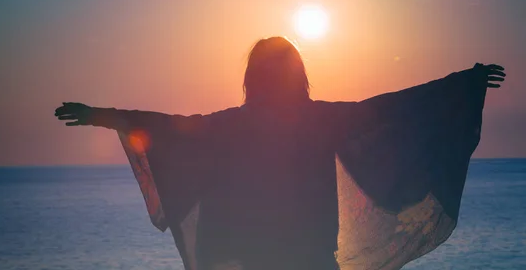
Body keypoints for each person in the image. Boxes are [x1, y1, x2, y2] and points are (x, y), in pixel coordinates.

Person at [55, 36, 505, 270]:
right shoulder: (321, 118)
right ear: (298, 74)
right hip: (308, 261)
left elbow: (165, 127)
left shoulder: (236, 124)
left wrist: (101, 114)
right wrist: (464, 85)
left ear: (252, 77)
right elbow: (397, 110)